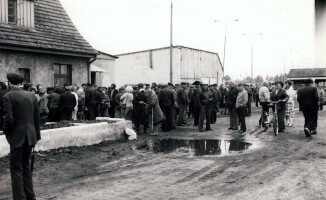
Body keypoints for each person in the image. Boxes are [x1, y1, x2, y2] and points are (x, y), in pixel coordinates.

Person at [2, 73, 41, 200]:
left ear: (9, 83)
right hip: (30, 136)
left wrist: (6, 131)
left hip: (17, 137)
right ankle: (30, 196)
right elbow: (37, 118)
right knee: (26, 167)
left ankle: (19, 198)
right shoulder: (31, 95)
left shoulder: (8, 96)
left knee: (16, 169)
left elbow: (9, 119)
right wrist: (37, 136)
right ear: (21, 83)